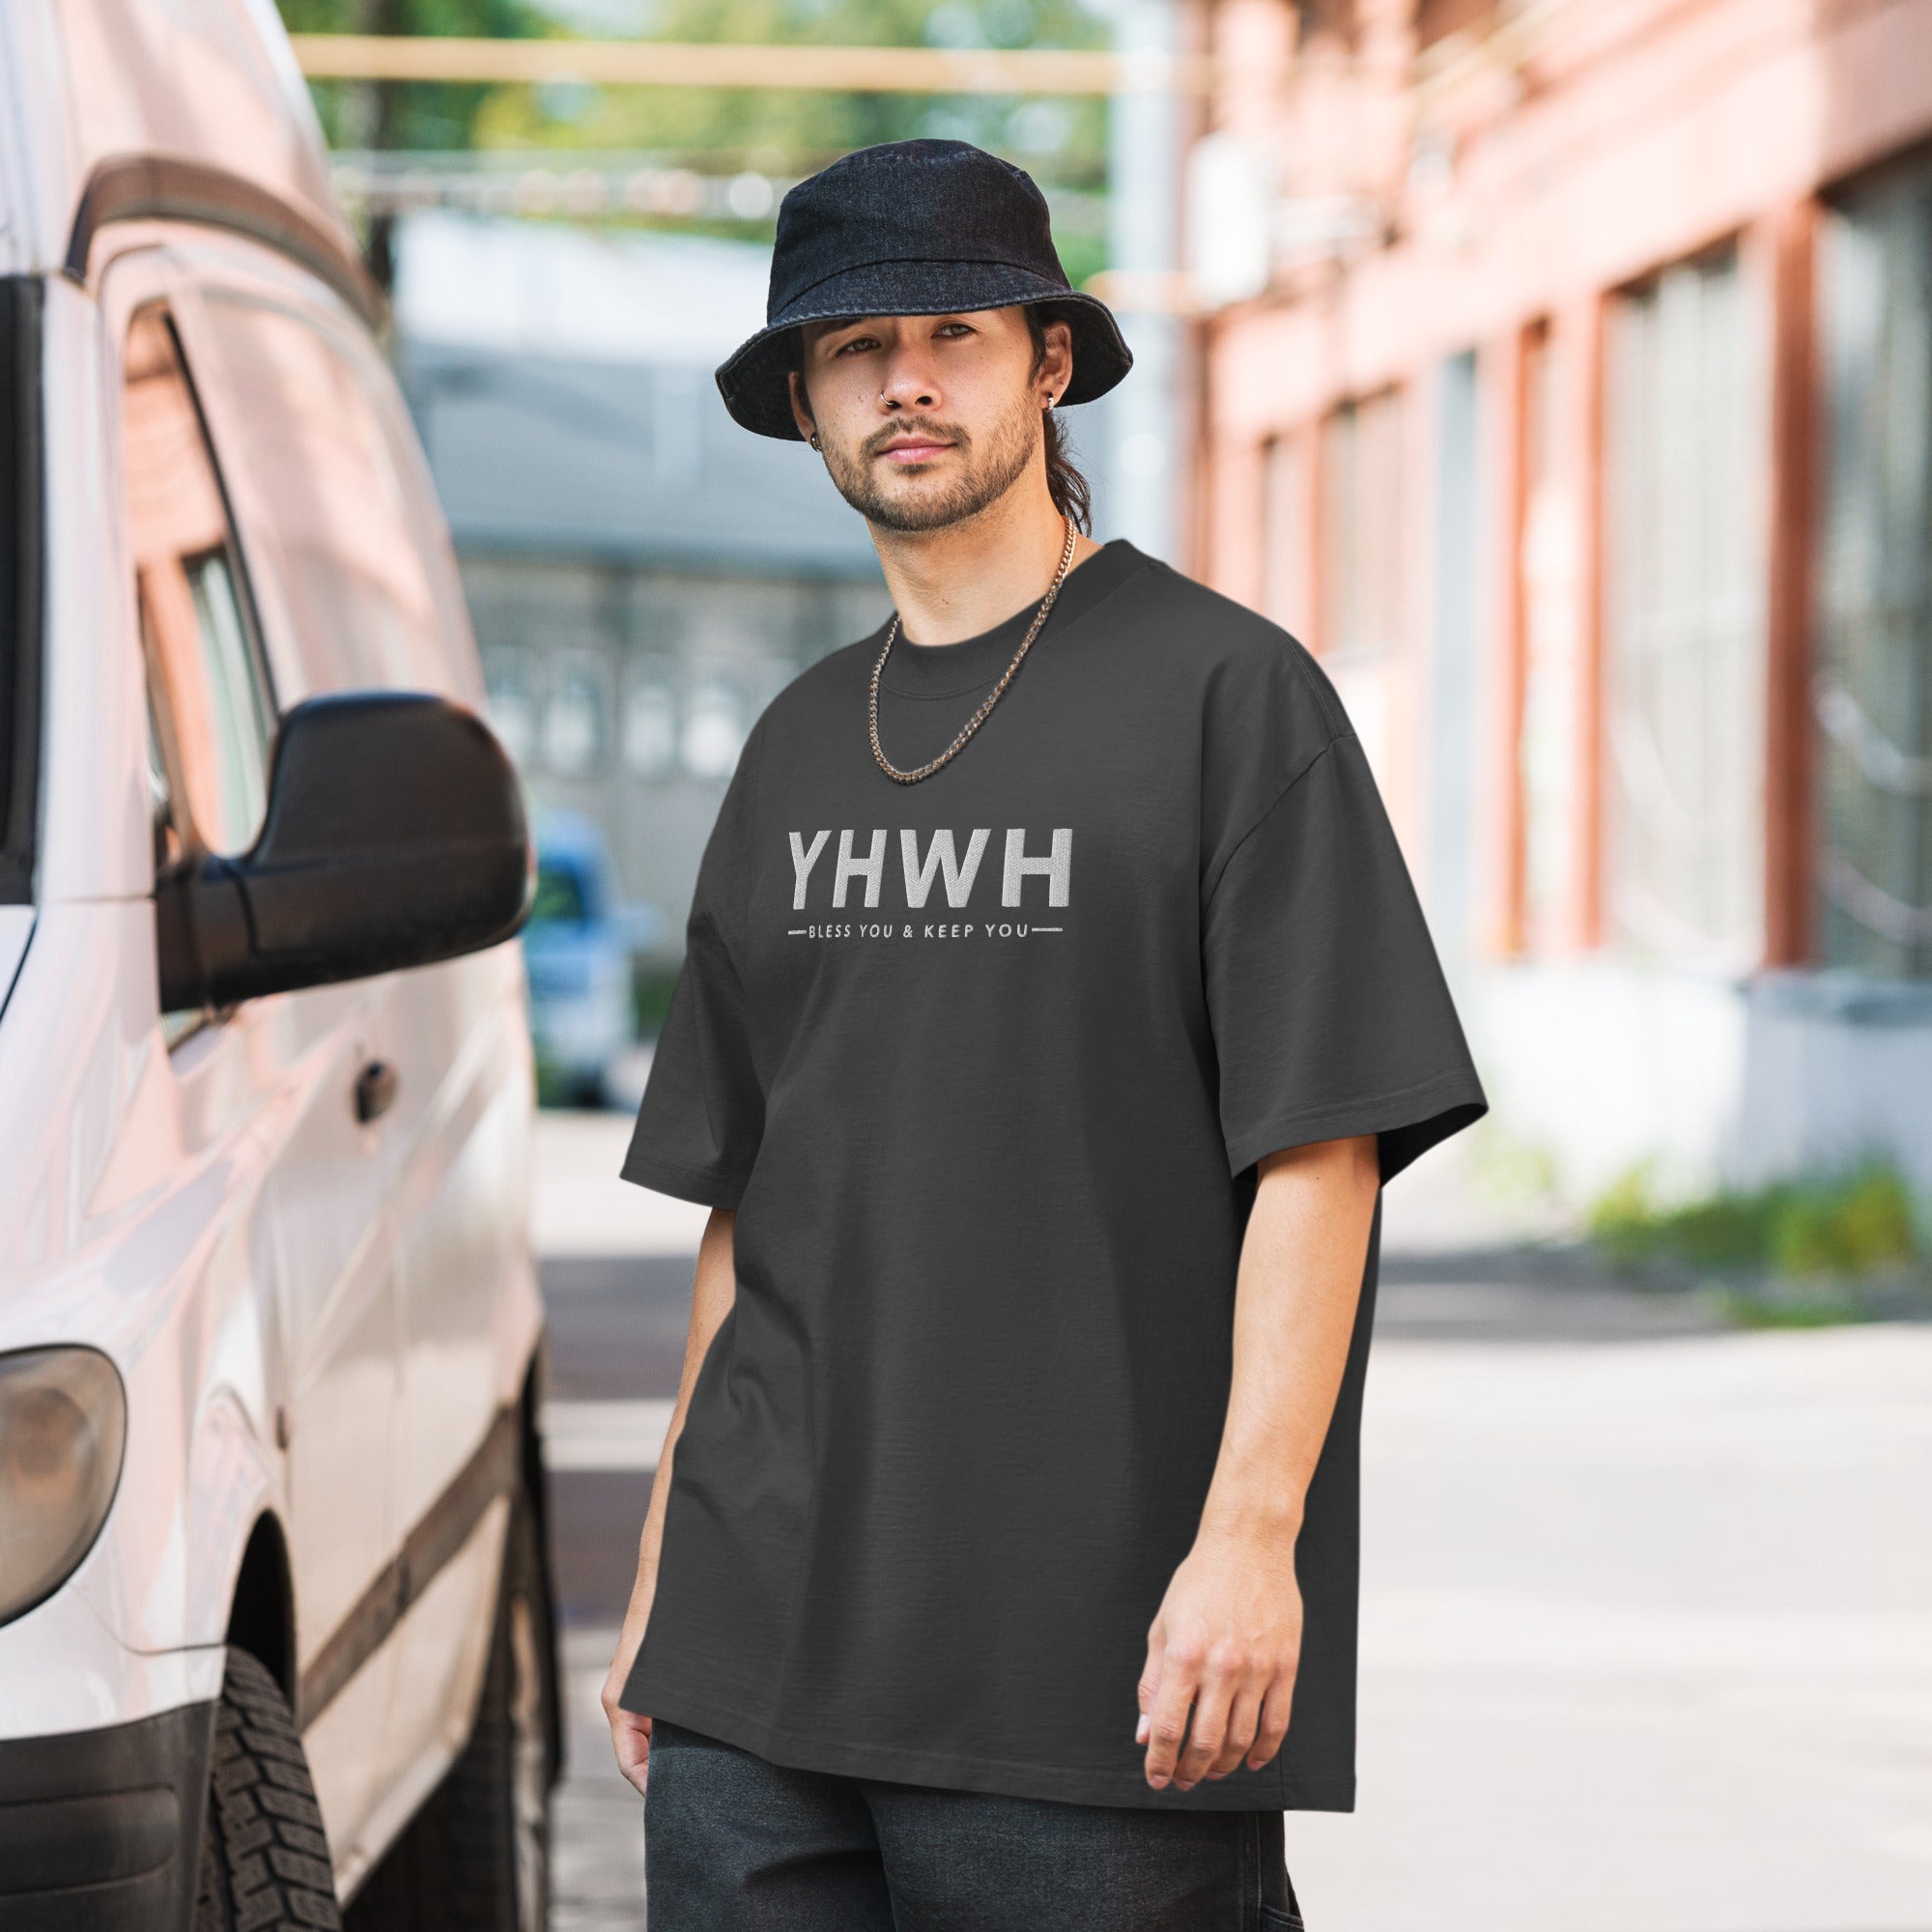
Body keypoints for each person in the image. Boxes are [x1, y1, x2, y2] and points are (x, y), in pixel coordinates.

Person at [602, 137, 1488, 1931]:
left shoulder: (1230, 700)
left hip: (1095, 1690)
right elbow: (745, 1209)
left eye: (952, 332)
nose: (905, 380)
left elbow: (1324, 1156)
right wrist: (660, 1572)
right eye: (854, 349)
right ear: (805, 401)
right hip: (753, 1682)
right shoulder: (784, 749)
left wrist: (1253, 1542)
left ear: (1050, 362)